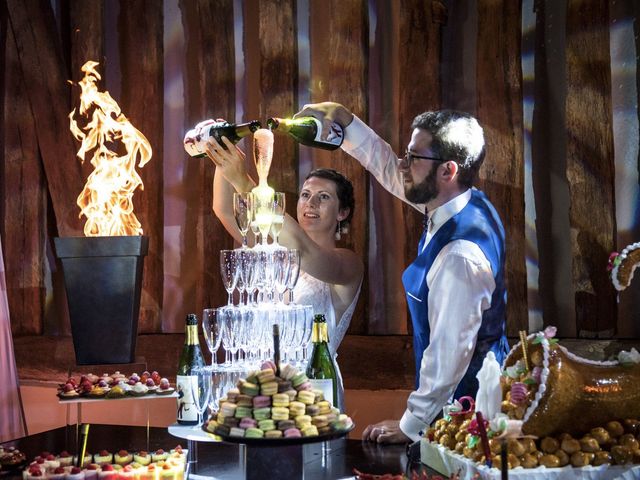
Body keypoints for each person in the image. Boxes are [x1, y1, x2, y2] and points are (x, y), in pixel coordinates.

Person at [293, 102, 509, 444]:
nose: (403, 165)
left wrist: (412, 425)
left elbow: (447, 356)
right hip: (459, 404)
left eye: (414, 158)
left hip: (466, 416)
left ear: (447, 171)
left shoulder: (460, 256)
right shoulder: (461, 200)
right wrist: (348, 124)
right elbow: (392, 172)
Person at [202, 129, 364, 411]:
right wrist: (227, 151)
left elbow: (304, 251)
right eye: (305, 195)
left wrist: (244, 180)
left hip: (314, 390)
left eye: (324, 197)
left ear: (342, 213)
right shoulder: (273, 250)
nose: (311, 204)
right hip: (263, 385)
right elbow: (224, 210)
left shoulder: (347, 263)